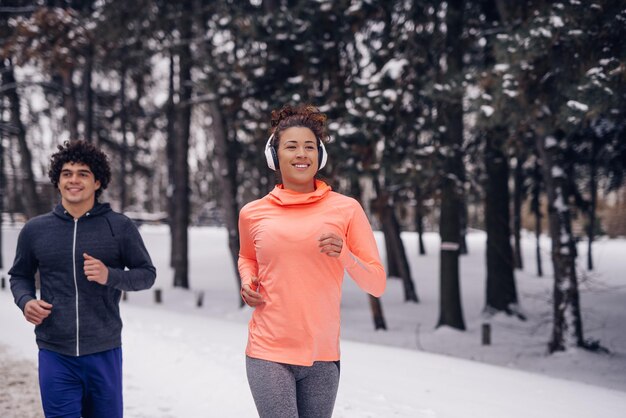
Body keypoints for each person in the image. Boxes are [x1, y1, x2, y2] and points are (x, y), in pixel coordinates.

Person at [238, 104, 386, 418]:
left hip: (323, 355)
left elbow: (376, 283)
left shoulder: (346, 210)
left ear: (320, 155)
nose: (302, 153)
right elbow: (247, 257)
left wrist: (344, 253)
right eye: (291, 146)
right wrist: (246, 280)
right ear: (274, 156)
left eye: (309, 146)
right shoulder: (252, 213)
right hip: (269, 350)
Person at [9, 140, 156, 418]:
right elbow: (19, 275)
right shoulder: (35, 230)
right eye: (67, 173)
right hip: (55, 351)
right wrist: (26, 300)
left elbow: (146, 275)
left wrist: (109, 275)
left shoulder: (119, 227)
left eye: (82, 173)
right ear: (58, 180)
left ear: (97, 181)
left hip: (104, 351)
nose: (73, 180)